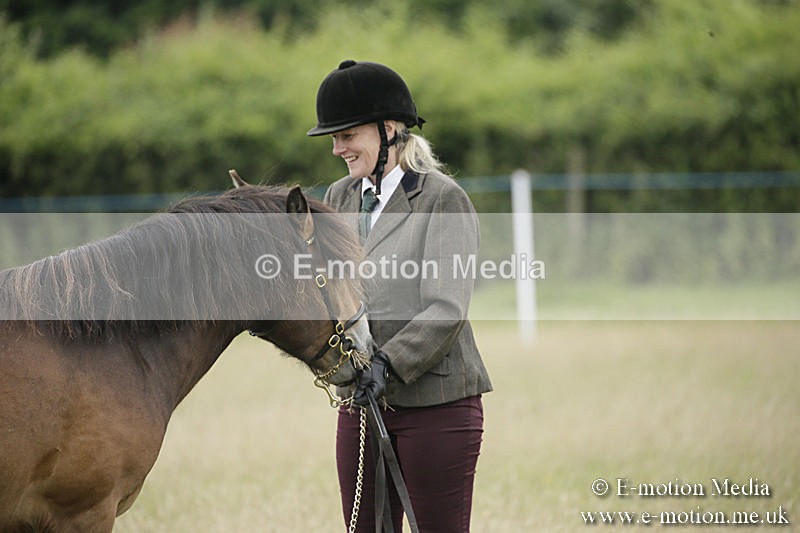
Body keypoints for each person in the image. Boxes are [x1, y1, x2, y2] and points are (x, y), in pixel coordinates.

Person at [308, 59, 493, 532]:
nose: (337, 149)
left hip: (436, 403)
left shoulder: (441, 198)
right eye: (334, 138)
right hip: (360, 404)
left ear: (388, 130)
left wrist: (386, 365)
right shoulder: (340, 196)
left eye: (347, 135)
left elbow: (447, 307)